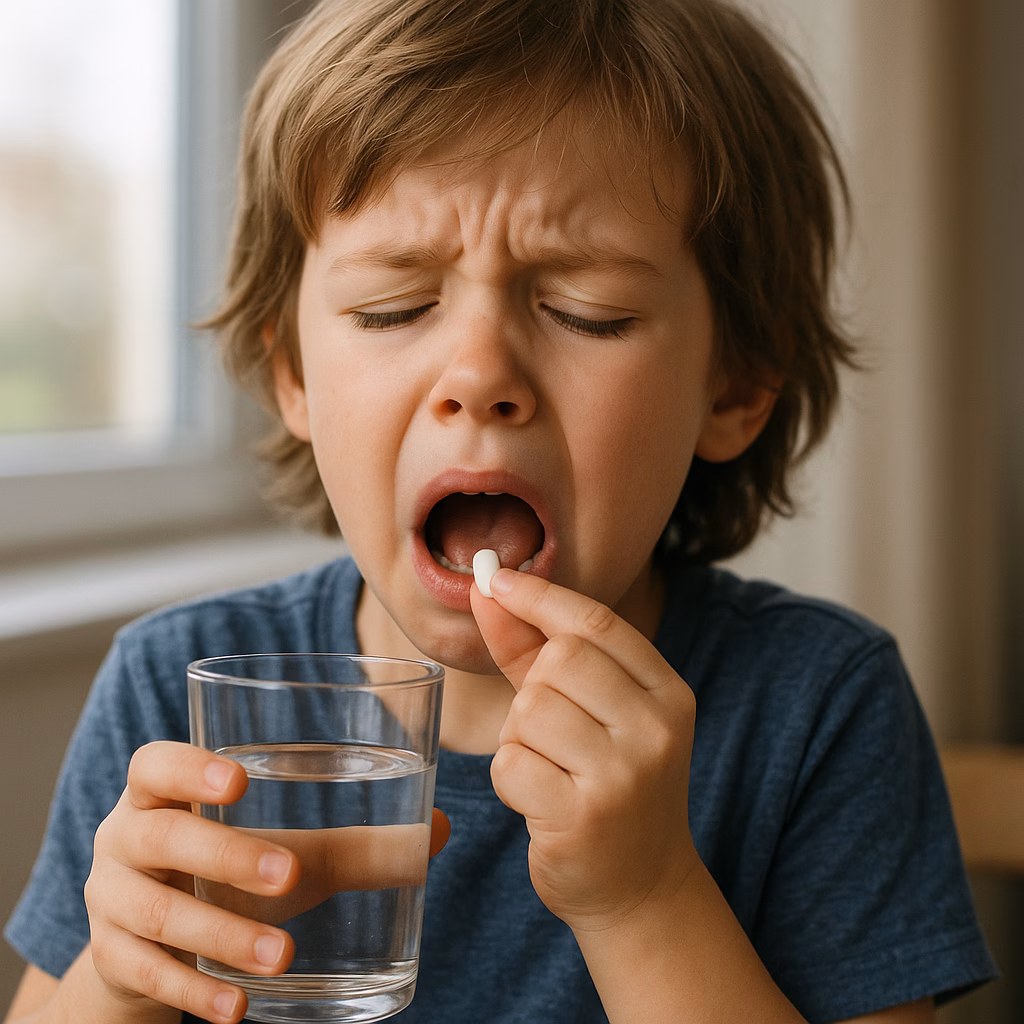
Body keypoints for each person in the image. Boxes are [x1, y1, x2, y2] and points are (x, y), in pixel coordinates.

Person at [3, 1, 998, 1022]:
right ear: (290, 370)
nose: (478, 376)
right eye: (392, 306)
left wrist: (644, 897)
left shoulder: (817, 707)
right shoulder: (178, 695)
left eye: (585, 312)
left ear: (735, 385)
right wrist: (119, 979)